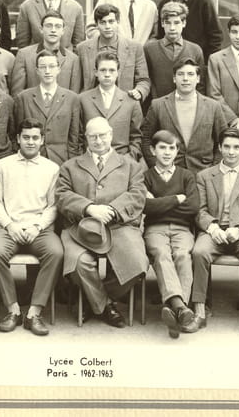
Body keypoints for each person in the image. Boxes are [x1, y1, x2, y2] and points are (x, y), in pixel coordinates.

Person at [55, 117, 149, 327]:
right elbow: (61, 196)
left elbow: (138, 194)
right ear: (86, 138)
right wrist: (89, 208)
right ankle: (106, 306)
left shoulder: (131, 165)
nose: (98, 141)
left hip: (119, 226)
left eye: (102, 135)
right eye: (93, 136)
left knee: (137, 264)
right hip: (80, 228)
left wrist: (113, 210)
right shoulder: (70, 166)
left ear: (111, 135)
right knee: (79, 262)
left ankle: (93, 298)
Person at [0, 119, 64, 336]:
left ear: (42, 140)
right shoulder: (3, 165)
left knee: (56, 253)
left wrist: (37, 226)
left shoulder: (51, 168)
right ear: (18, 139)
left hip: (39, 228)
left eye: (35, 138)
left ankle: (34, 313)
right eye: (26, 137)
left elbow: (53, 206)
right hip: (8, 227)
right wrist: (10, 225)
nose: (31, 142)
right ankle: (13, 310)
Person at [192, 127, 239, 335]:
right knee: (199, 252)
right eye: (227, 147)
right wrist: (212, 226)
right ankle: (199, 311)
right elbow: (199, 210)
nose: (231, 152)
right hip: (215, 230)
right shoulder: (205, 176)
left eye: (236, 147)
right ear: (219, 148)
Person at [142, 130, 200, 338]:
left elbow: (193, 207)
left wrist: (159, 203)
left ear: (177, 151)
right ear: (153, 150)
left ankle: (174, 309)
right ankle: (181, 307)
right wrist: (176, 199)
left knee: (183, 255)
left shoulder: (186, 176)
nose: (167, 152)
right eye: (162, 148)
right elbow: (146, 206)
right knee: (161, 254)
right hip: (155, 229)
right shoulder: (146, 177)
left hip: (182, 229)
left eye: (172, 148)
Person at [142, 58, 231, 173]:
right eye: (180, 74)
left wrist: (213, 170)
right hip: (169, 174)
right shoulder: (158, 105)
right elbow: (146, 140)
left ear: (198, 78)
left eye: (190, 74)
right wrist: (158, 168)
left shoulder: (213, 106)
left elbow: (223, 141)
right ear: (174, 78)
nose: (185, 78)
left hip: (203, 172)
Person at [13, 50, 83, 166]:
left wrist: (71, 163)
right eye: (42, 67)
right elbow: (16, 134)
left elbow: (74, 137)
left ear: (58, 69)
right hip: (31, 161)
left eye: (51, 66)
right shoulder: (24, 98)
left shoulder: (72, 99)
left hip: (61, 161)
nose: (47, 71)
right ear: (37, 70)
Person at [77, 4, 151, 102]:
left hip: (124, 103)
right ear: (96, 24)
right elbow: (77, 83)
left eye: (111, 22)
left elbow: (144, 80)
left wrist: (139, 91)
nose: (107, 26)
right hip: (91, 103)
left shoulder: (135, 48)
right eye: (102, 22)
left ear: (118, 22)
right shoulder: (82, 49)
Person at [79, 52, 143, 161]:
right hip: (90, 161)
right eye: (103, 70)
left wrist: (128, 160)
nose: (107, 74)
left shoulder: (131, 101)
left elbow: (137, 137)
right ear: (96, 72)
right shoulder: (83, 99)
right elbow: (78, 136)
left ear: (118, 72)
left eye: (112, 70)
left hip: (121, 161)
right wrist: (84, 160)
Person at [143, 1, 205, 101]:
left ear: (184, 23)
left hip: (187, 105)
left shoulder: (195, 50)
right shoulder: (149, 49)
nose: (172, 28)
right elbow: (145, 81)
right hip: (158, 105)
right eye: (168, 23)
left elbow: (200, 85)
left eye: (176, 23)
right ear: (162, 23)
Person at [10, 10, 82, 95]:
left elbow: (74, 96)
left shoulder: (73, 60)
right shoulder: (24, 55)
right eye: (49, 26)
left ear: (63, 31)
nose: (53, 30)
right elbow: (17, 93)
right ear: (41, 29)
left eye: (58, 26)